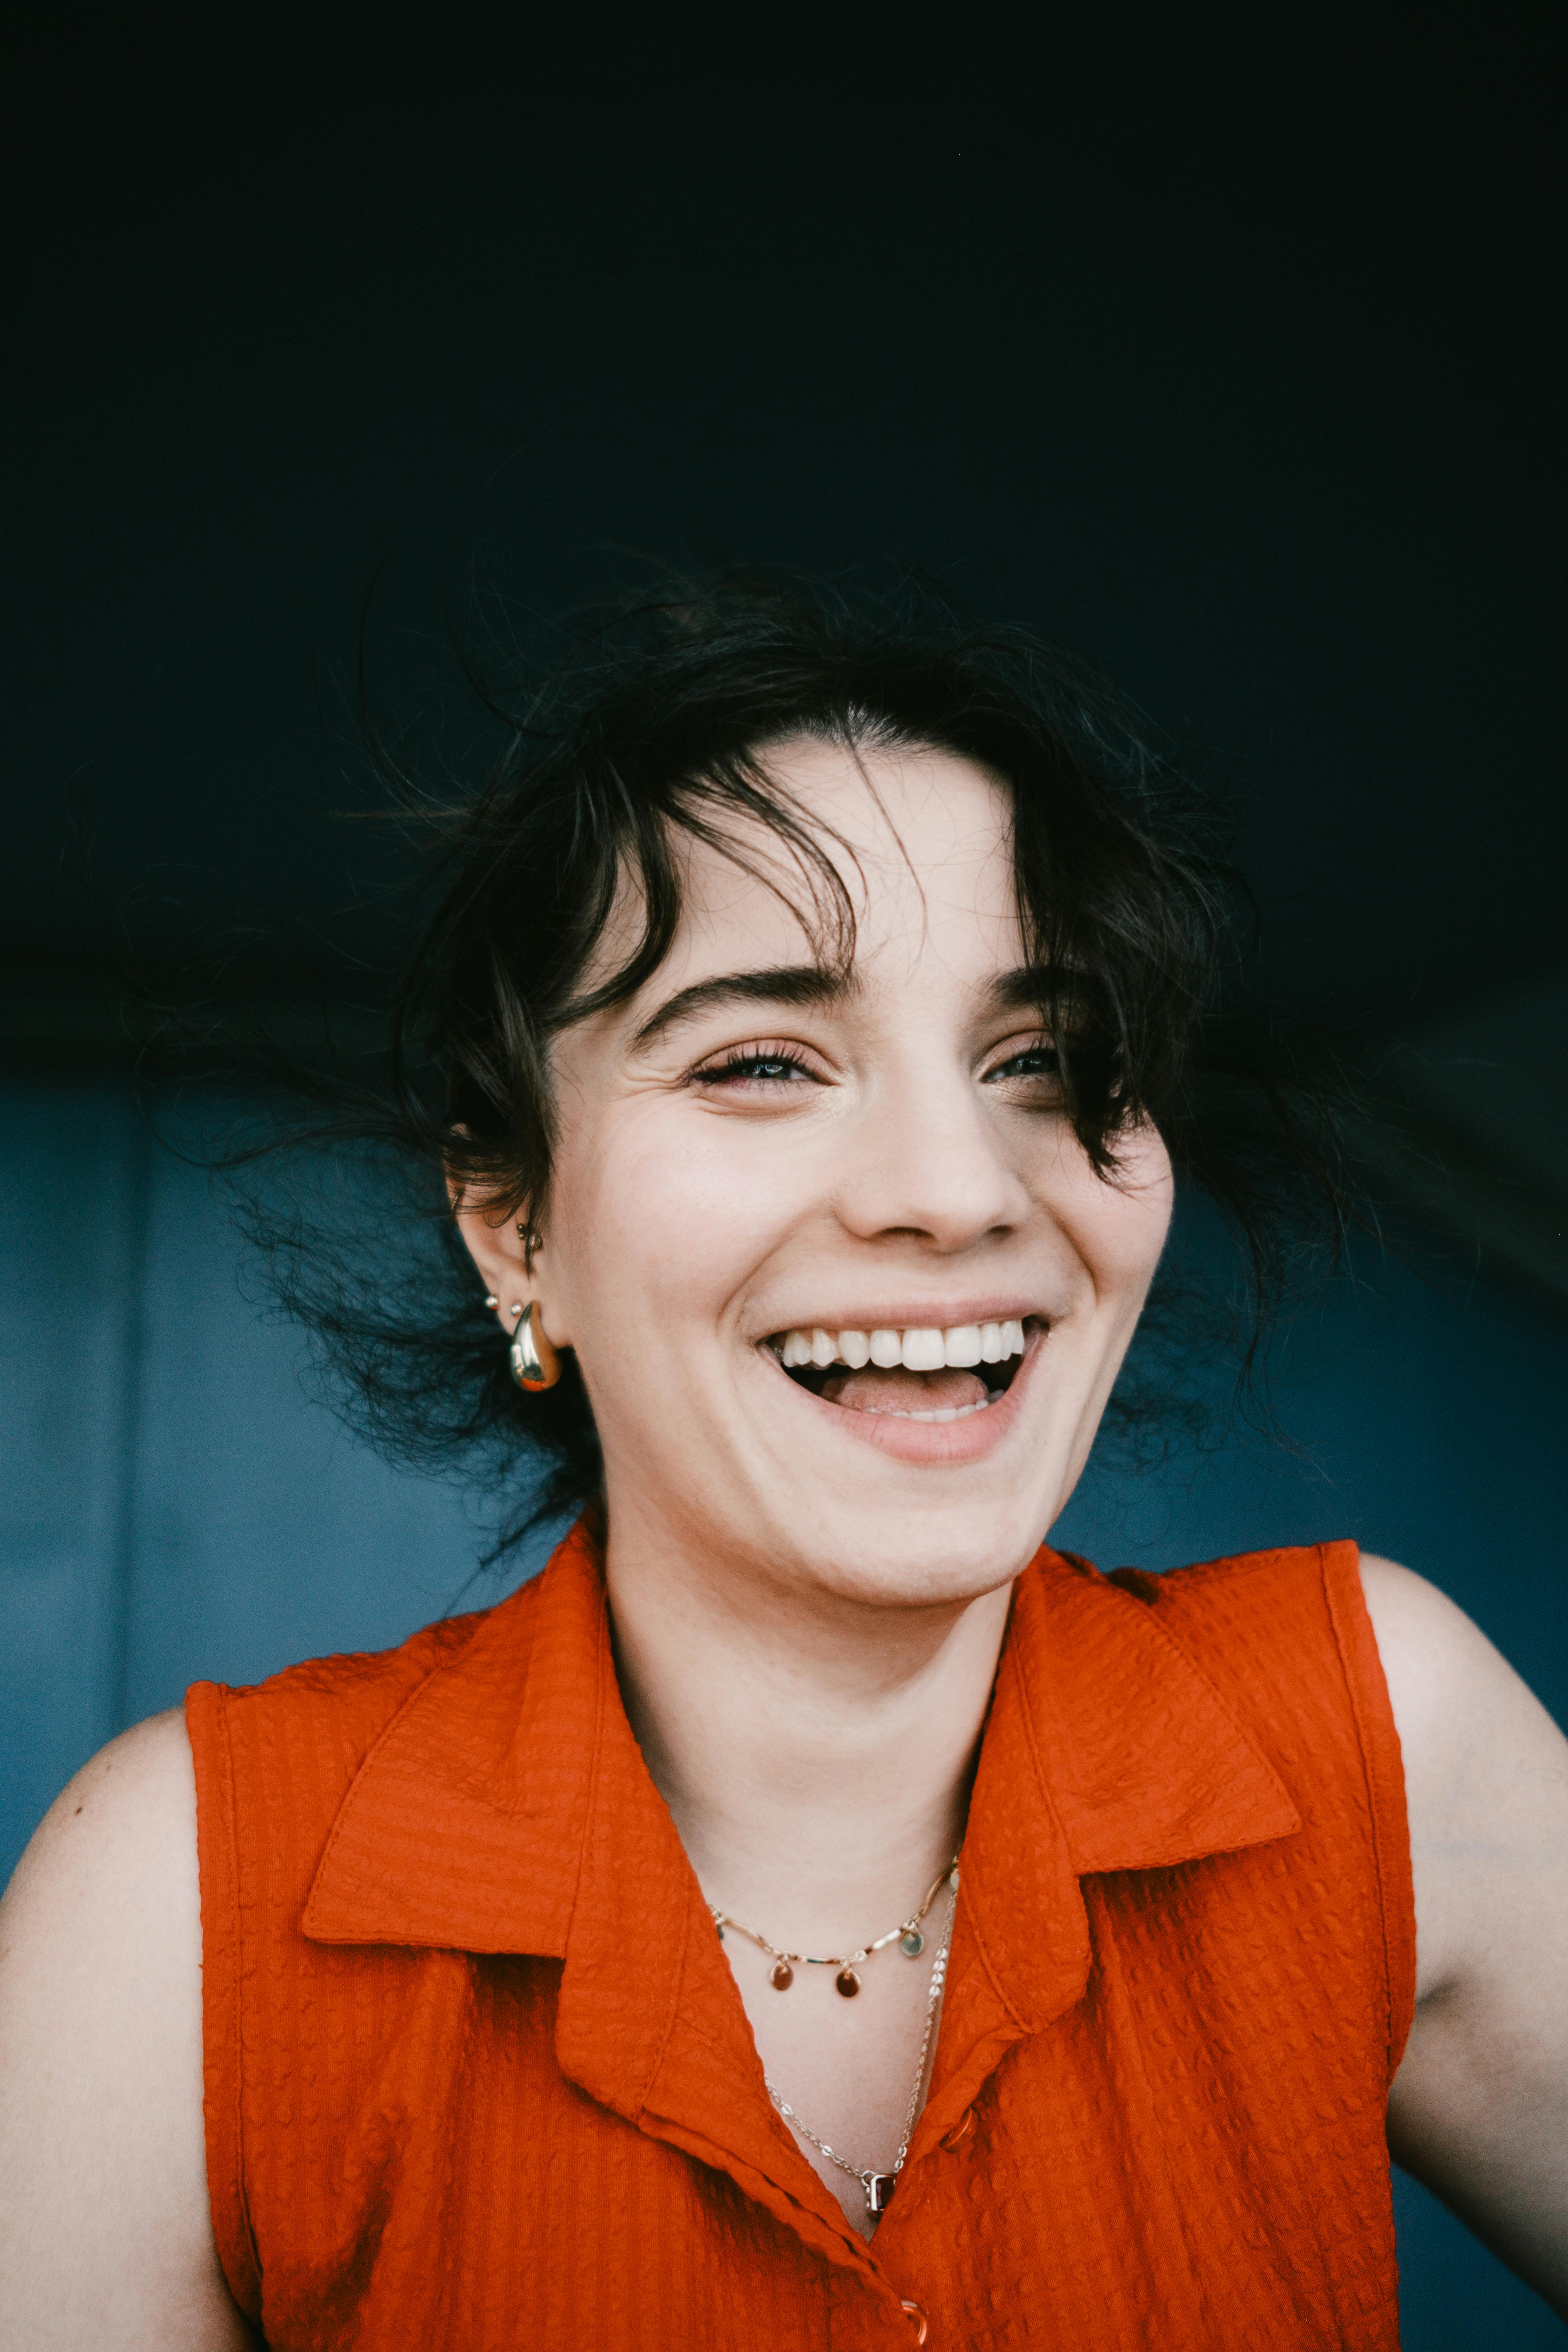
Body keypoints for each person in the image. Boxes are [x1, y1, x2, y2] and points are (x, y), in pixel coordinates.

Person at [1, 590, 1564, 2349]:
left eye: (1044, 1062)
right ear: (513, 1222)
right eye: (762, 1060)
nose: (961, 1187)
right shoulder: (183, 1910)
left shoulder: (1378, 1741)